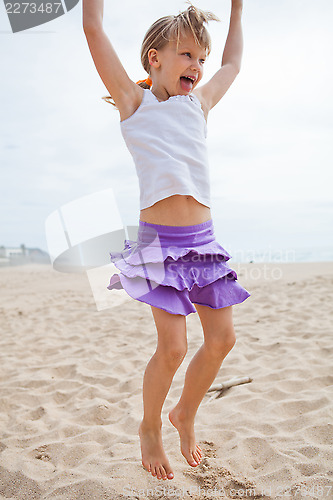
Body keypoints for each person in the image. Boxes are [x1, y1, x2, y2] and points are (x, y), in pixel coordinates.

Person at [83, 0, 248, 482]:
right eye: (187, 55)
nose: (197, 66)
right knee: (172, 348)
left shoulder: (199, 104)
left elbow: (233, 63)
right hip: (160, 244)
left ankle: (185, 415)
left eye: (201, 58)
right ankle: (151, 426)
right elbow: (93, 29)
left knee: (222, 339)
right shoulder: (135, 104)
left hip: (204, 242)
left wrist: (238, 7)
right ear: (154, 58)